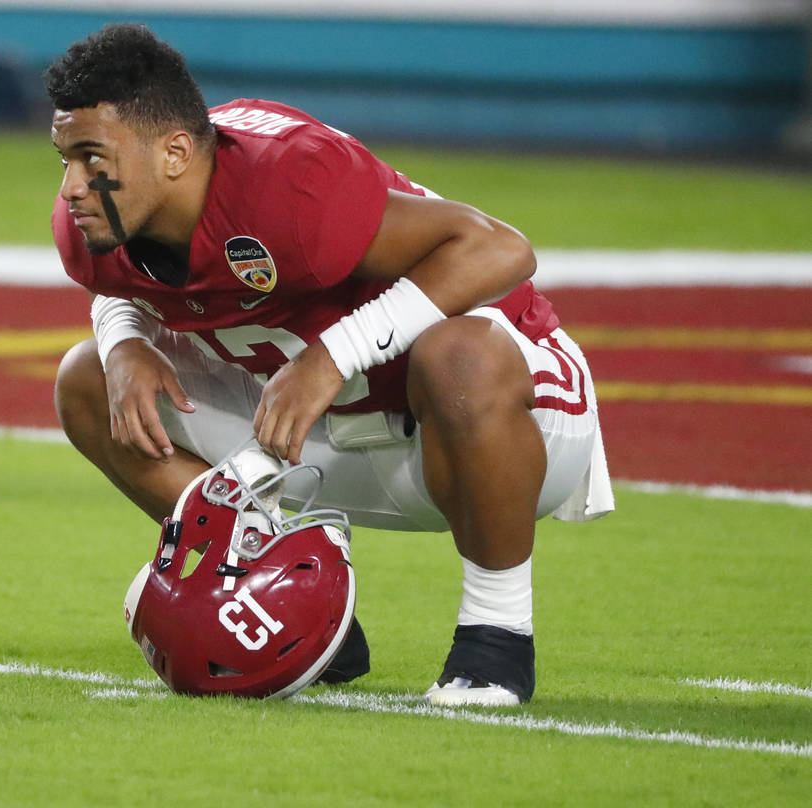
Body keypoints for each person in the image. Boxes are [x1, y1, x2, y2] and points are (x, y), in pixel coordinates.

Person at [45, 23, 613, 706]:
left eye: (90, 158)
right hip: (323, 433)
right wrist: (123, 341)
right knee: (86, 380)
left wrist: (333, 356)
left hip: (485, 426)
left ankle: (497, 638)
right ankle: (287, 597)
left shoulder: (288, 180)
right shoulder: (96, 219)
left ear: (173, 153)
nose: (72, 186)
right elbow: (118, 289)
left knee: (458, 354)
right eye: (64, 159)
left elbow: (501, 250)